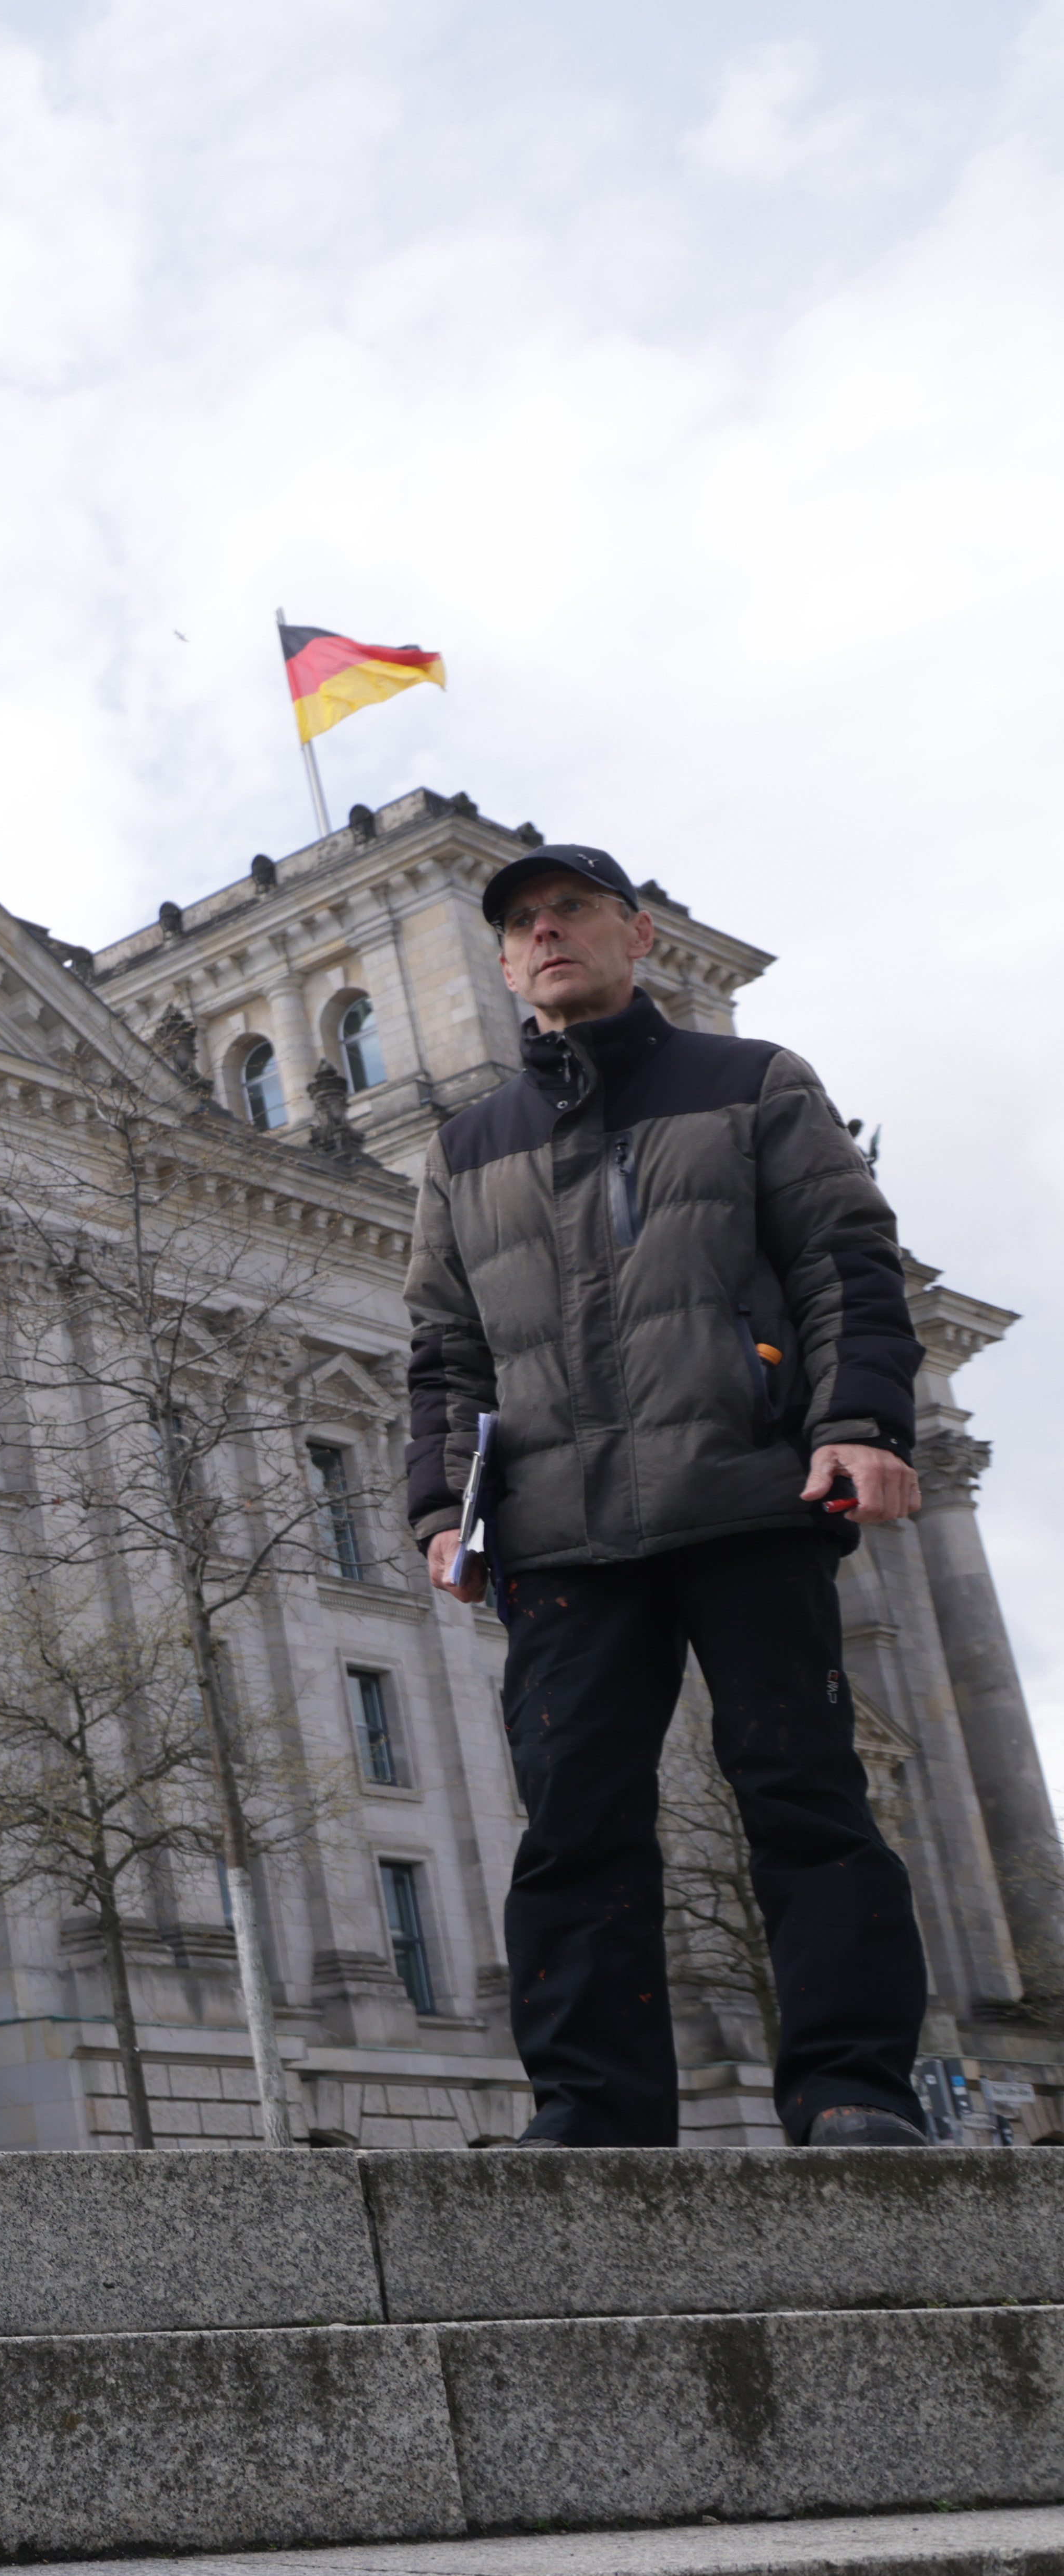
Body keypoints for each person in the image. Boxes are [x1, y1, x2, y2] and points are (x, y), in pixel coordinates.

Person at [405, 842, 930, 2147]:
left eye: (569, 910)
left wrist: (858, 1423)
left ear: (635, 934)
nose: (544, 933)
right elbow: (445, 1350)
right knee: (571, 1823)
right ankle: (593, 2113)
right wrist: (441, 1508)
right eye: (520, 924)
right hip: (559, 1531)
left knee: (803, 1795)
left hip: (743, 1491)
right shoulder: (466, 1146)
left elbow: (845, 1262)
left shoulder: (750, 1082)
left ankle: (851, 2089)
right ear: (505, 964)